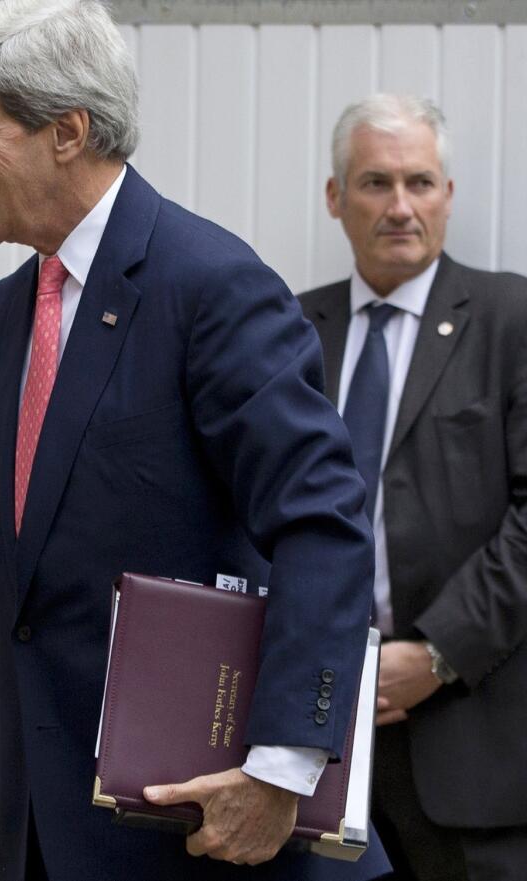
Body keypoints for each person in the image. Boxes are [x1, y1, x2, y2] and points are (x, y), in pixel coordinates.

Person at [0, 1, 390, 878]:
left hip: (206, 827)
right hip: (47, 826)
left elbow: (323, 520)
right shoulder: (16, 306)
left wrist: (283, 770)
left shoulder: (213, 287)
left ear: (67, 131)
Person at [298, 94, 527, 881]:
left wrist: (437, 653)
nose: (400, 206)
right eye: (375, 183)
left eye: (420, 182)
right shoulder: (292, 332)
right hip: (316, 743)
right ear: (335, 196)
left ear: (449, 195)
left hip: (473, 743)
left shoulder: (511, 318)